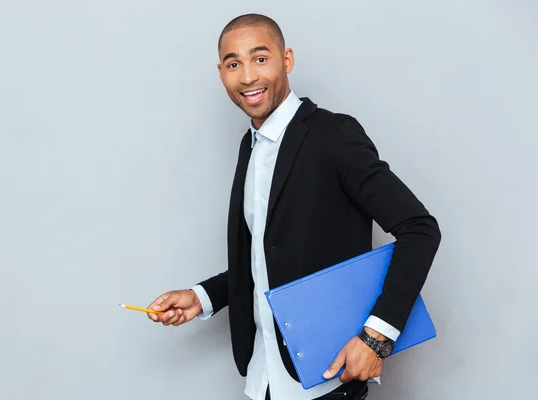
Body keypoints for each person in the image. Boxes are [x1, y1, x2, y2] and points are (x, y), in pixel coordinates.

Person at [146, 13, 441, 400]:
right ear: (221, 73)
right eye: (234, 64)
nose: (248, 76)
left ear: (287, 60)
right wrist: (201, 297)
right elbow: (268, 257)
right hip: (263, 379)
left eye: (260, 58)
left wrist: (376, 340)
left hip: (326, 380)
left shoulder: (334, 135)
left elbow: (420, 229)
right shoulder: (248, 147)